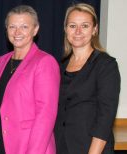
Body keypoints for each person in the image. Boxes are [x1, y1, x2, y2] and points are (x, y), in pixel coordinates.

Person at [54, 3, 121, 154]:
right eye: (72, 26)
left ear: (94, 29)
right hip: (61, 147)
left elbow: (106, 117)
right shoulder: (60, 66)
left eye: (84, 26)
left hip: (91, 149)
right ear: (65, 29)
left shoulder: (106, 65)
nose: (78, 31)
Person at [0, 5, 60, 154]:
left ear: (35, 29)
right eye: (12, 27)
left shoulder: (45, 62)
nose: (17, 32)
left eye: (24, 26)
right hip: (3, 144)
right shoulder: (1, 61)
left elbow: (46, 115)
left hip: (31, 147)